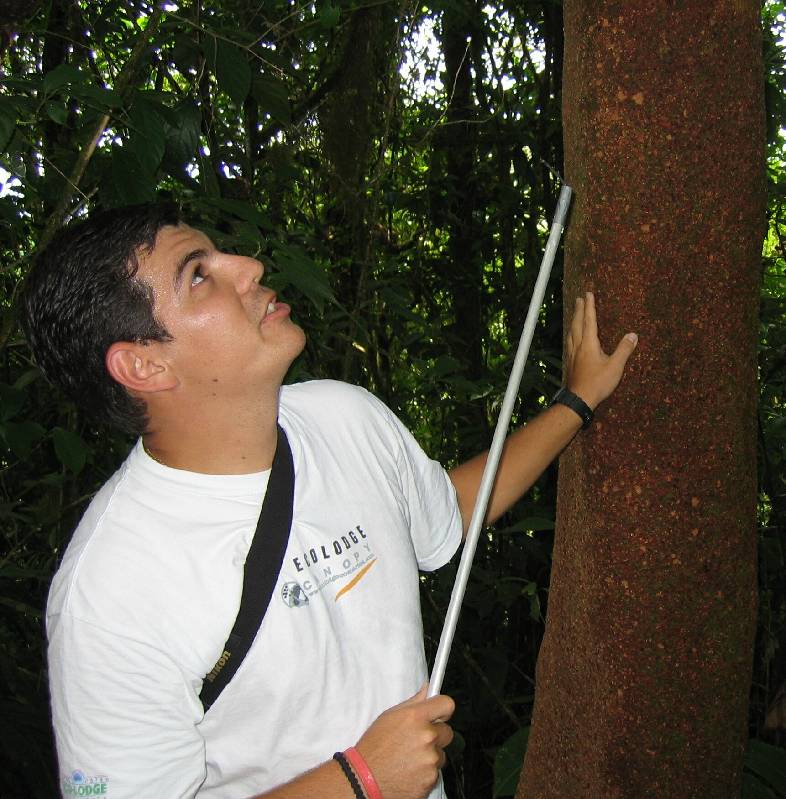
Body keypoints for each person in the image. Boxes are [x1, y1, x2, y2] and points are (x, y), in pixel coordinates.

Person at [21, 202, 638, 799]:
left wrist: (575, 402)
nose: (249, 266)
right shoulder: (109, 592)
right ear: (144, 365)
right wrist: (361, 781)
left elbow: (446, 508)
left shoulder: (343, 417)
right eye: (200, 275)